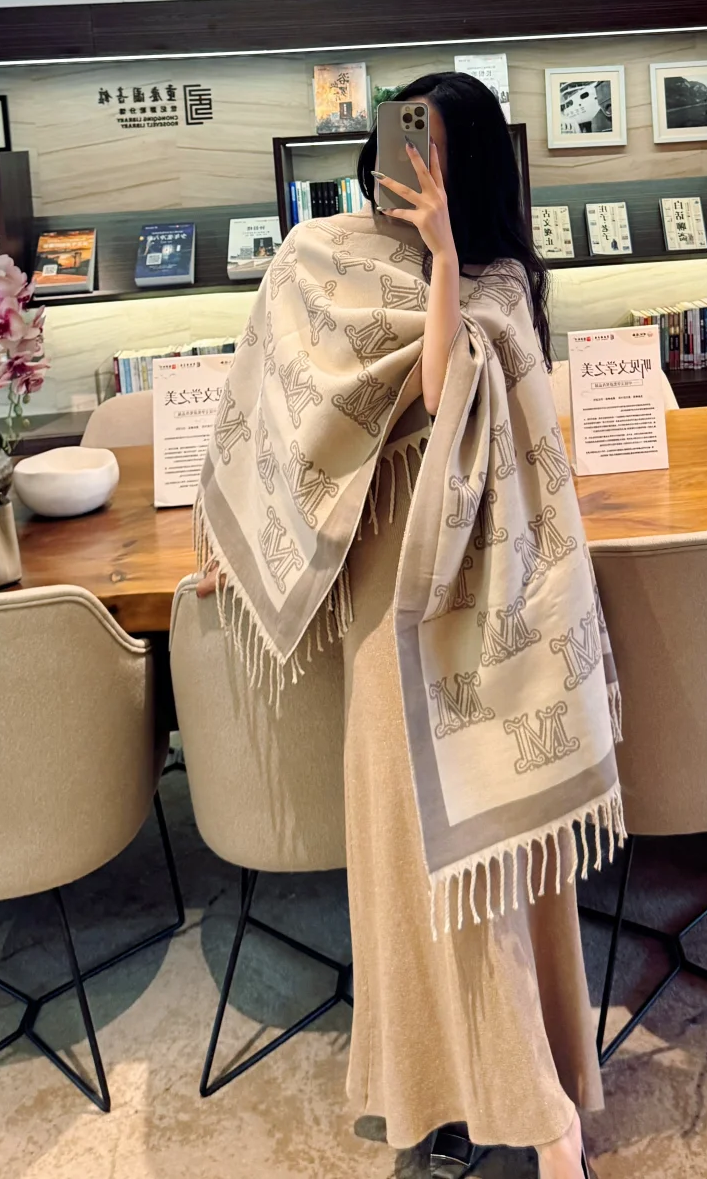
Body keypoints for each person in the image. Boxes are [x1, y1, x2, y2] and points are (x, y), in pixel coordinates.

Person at [197, 73, 622, 1178]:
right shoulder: (324, 257)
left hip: (474, 607)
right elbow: (282, 405)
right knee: (408, 855)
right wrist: (240, 535)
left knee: (487, 857)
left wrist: (441, 255)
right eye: (395, 144)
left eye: (430, 148)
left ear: (464, 163)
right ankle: (439, 1090)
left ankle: (541, 1106)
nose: (403, 166)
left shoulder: (496, 282)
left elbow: (445, 392)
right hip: (378, 604)